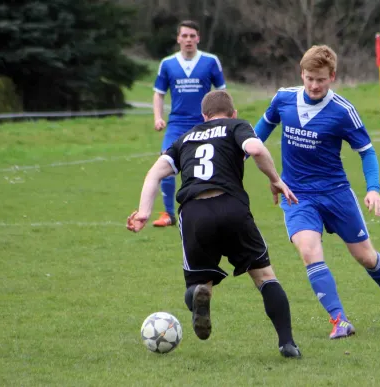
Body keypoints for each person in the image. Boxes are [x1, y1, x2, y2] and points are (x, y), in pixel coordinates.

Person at [252, 45, 380, 339]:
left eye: (321, 80)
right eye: (310, 78)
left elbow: (367, 152)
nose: (314, 85)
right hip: (297, 195)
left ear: (332, 77)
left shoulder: (342, 111)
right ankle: (339, 320)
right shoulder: (283, 100)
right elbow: (255, 137)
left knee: (366, 258)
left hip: (336, 194)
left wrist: (373, 189)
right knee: (310, 252)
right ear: (302, 74)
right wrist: (254, 166)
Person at [127, 90, 301, 358]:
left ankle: (200, 293)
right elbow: (255, 148)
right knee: (265, 277)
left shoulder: (184, 138)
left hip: (195, 212)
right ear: (233, 114)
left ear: (204, 116)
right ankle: (287, 343)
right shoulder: (236, 126)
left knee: (198, 283)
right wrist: (275, 179)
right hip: (231, 207)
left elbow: (155, 173)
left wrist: (144, 212)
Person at [152, 20, 226, 227]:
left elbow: (222, 93)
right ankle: (168, 214)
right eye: (184, 36)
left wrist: (223, 119)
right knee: (166, 161)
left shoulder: (210, 61)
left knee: (210, 165)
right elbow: (158, 94)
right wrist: (158, 117)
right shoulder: (167, 64)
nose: (188, 40)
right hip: (176, 123)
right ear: (178, 38)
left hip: (204, 122)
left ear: (198, 38)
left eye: (192, 36)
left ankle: (211, 209)